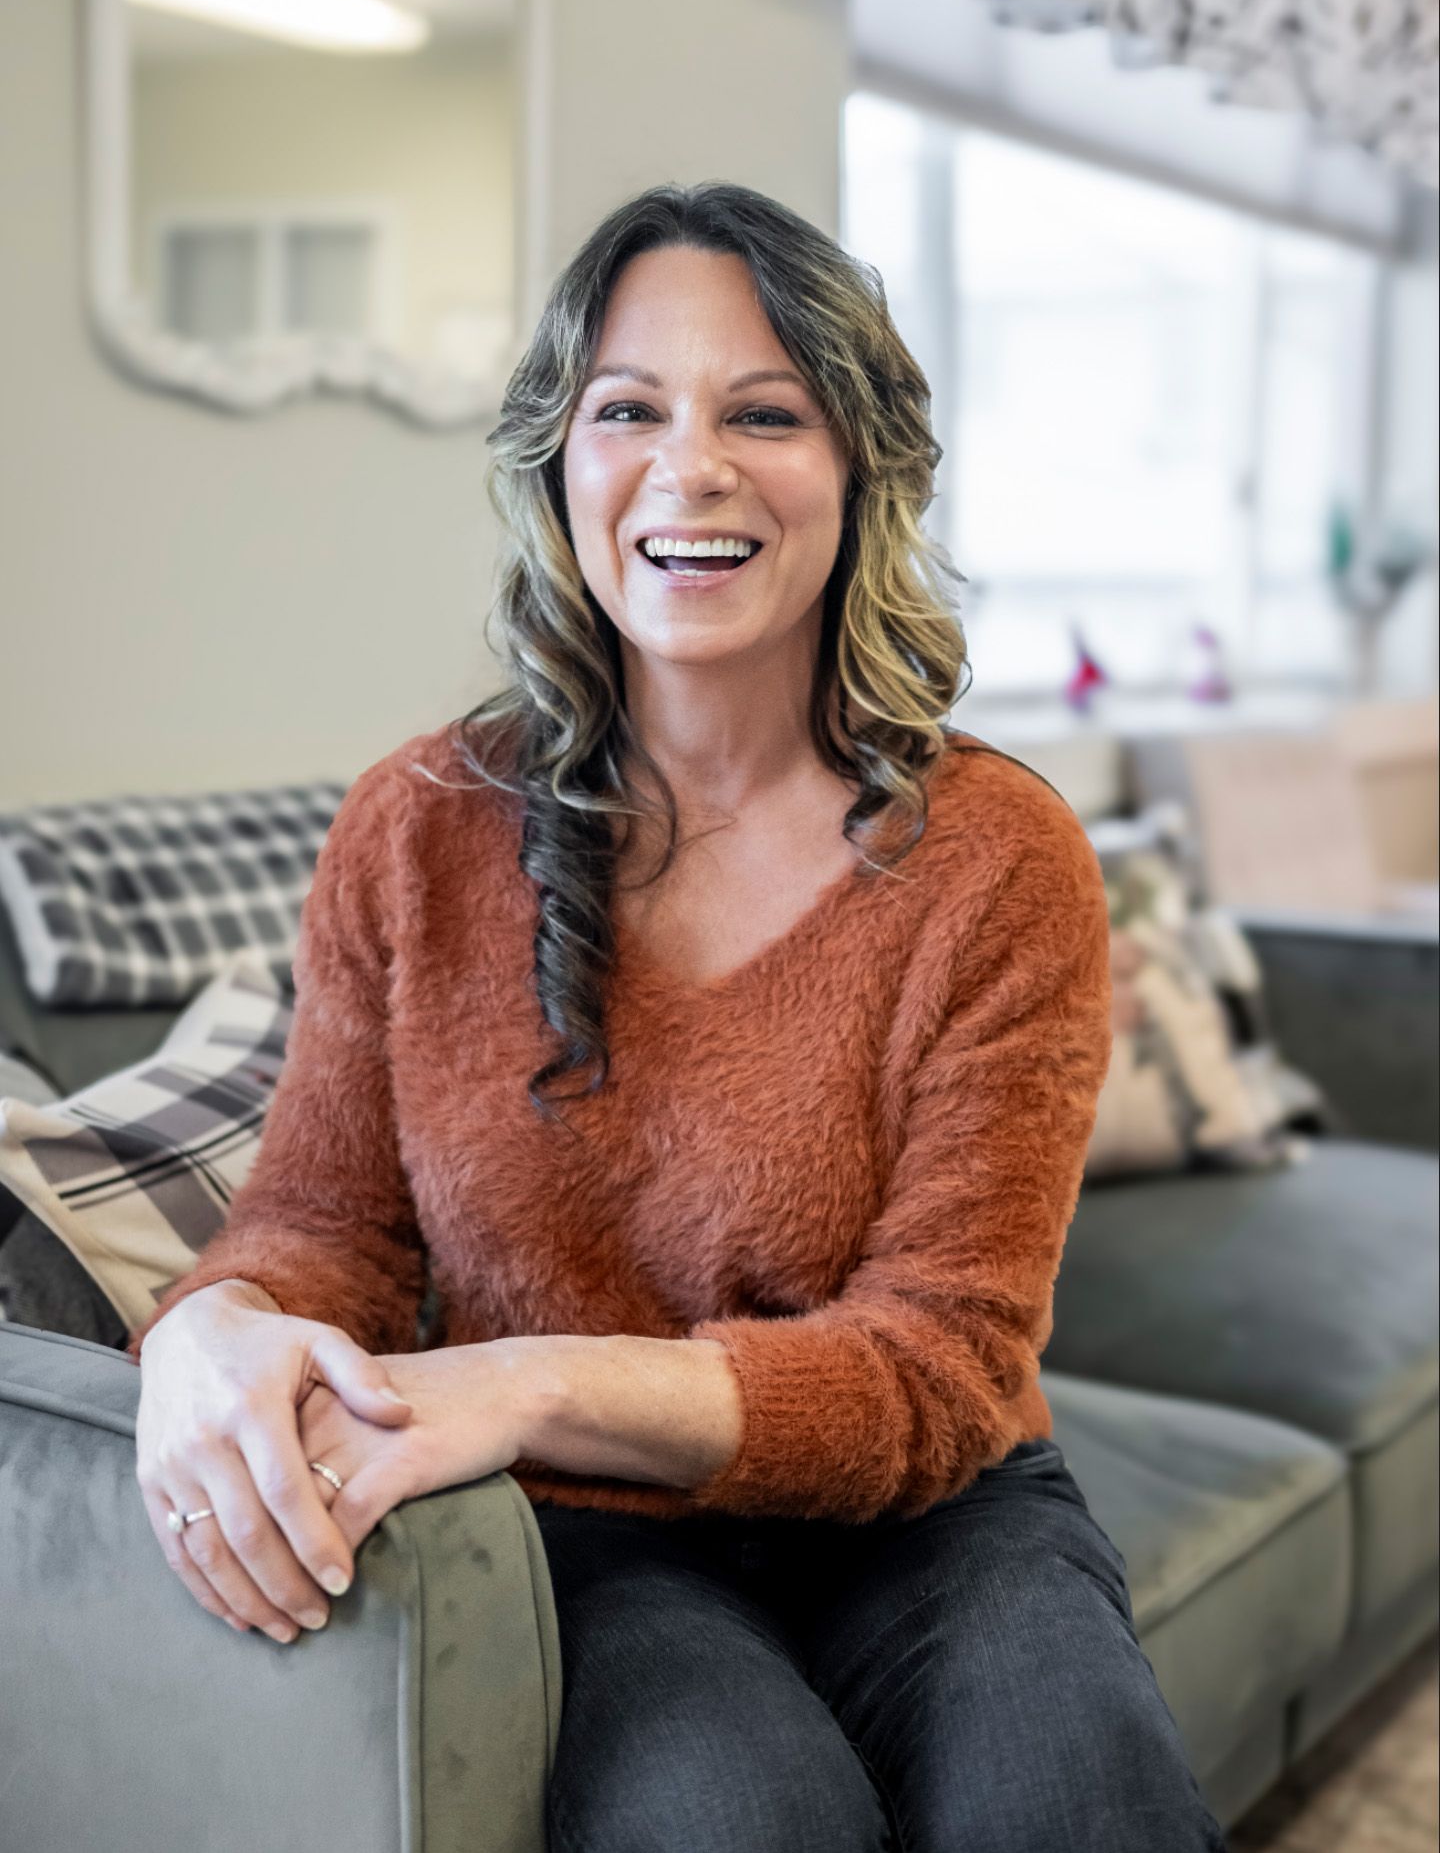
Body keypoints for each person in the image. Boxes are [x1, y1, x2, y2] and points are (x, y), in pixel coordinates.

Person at [129, 180, 1228, 1851]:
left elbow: (940, 1363)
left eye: (764, 412)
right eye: (628, 409)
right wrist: (206, 1329)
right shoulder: (415, 829)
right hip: (585, 1534)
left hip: (936, 1511)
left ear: (859, 468)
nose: (690, 467)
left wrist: (527, 1376)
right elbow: (322, 1227)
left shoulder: (1000, 859)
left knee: (1077, 1797)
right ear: (558, 465)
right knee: (747, 1818)